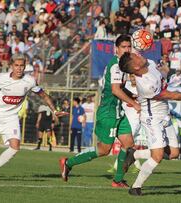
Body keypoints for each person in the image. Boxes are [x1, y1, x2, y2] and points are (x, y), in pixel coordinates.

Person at [59, 34, 141, 188]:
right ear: (116, 49)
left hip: (118, 112)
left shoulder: (123, 65)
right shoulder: (116, 65)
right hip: (108, 113)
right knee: (104, 150)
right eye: (124, 47)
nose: (127, 49)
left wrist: (132, 96)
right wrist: (134, 103)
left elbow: (119, 88)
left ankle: (117, 180)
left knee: (129, 145)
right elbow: (116, 90)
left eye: (129, 46)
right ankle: (68, 162)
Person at [118, 52, 181, 196]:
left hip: (164, 114)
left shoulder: (149, 62)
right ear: (136, 67)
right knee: (158, 156)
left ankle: (134, 153)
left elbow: (161, 74)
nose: (138, 54)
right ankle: (135, 187)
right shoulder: (146, 84)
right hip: (151, 118)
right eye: (135, 56)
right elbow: (171, 95)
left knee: (174, 153)